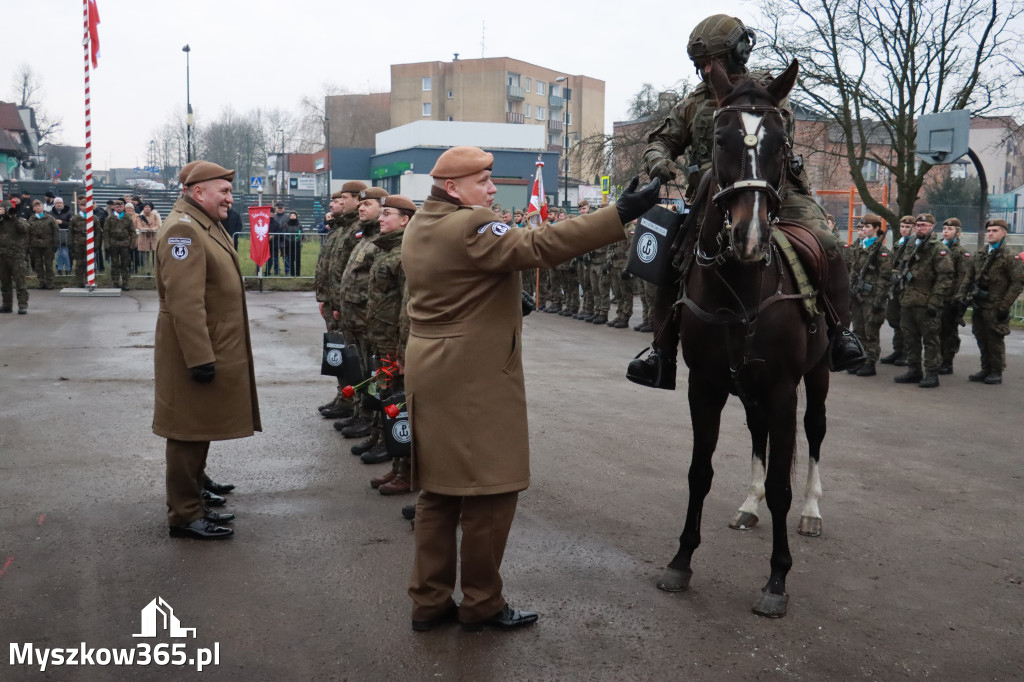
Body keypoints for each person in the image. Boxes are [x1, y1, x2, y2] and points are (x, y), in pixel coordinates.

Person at [402, 145, 659, 633]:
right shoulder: (472, 225)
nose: (493, 189)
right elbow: (540, 245)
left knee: (439, 492)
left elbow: (460, 280)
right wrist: (619, 213)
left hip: (434, 369)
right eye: (483, 181)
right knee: (491, 493)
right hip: (471, 378)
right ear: (454, 187)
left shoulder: (422, 221)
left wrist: (494, 296)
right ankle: (481, 603)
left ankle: (429, 601)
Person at [634, 14, 862, 388]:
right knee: (668, 258)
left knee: (827, 242)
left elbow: (775, 134)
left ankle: (840, 333)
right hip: (712, 196)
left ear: (736, 54)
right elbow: (660, 141)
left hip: (775, 190)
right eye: (700, 65)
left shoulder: (765, 93)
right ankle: (662, 352)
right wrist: (659, 162)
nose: (705, 70)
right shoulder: (693, 104)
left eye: (712, 63)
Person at [153, 160, 260, 540]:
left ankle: (194, 497)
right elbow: (185, 302)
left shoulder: (201, 224)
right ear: (198, 193)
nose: (231, 198)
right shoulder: (183, 231)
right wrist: (199, 358)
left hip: (210, 347)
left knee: (198, 428)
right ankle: (184, 515)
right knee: (186, 433)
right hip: (194, 351)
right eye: (224, 191)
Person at [363, 194, 415, 481]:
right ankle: (396, 468)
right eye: (380, 213)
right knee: (386, 400)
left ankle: (407, 473)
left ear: (405, 219)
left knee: (401, 407)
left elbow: (407, 307)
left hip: (395, 346)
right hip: (381, 342)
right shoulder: (386, 250)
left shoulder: (406, 253)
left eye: (387, 214)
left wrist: (403, 351)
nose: (381, 218)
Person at [333, 187, 387, 443]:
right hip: (354, 317)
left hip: (368, 319)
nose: (362, 209)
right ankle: (361, 413)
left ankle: (371, 420)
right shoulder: (364, 237)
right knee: (360, 370)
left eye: (368, 204)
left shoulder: (380, 239)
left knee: (374, 375)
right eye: (361, 204)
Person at [315, 181, 367, 419]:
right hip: (334, 301)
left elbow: (352, 272)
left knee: (350, 355)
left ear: (357, 200)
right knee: (338, 352)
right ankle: (344, 396)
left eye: (342, 198)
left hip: (345, 304)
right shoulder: (342, 228)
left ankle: (354, 401)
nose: (336, 202)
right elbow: (331, 267)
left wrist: (338, 303)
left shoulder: (358, 229)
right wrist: (325, 298)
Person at [956, 219, 1024, 384]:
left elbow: (1018, 282)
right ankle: (985, 367)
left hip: (996, 305)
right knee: (980, 336)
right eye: (989, 230)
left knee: (994, 339)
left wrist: (1005, 305)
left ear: (1003, 233)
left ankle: (996, 371)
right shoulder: (981, 254)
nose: (991, 233)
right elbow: (969, 277)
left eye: (995, 230)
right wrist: (960, 297)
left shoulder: (1010, 256)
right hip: (979, 303)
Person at [893, 213, 954, 388]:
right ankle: (914, 370)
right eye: (918, 225)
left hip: (926, 302)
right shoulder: (911, 245)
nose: (920, 228)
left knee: (930, 339)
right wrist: (897, 277)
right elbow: (898, 265)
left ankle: (932, 373)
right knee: (910, 338)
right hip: (907, 300)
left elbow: (945, 278)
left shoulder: (939, 249)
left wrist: (934, 302)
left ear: (932, 227)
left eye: (924, 225)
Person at [846, 214, 891, 376]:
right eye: (862, 227)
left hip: (872, 297)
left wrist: (879, 300)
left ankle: (870, 362)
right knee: (858, 330)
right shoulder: (859, 247)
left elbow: (885, 278)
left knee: (870, 331)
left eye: (867, 227)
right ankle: (860, 360)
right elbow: (852, 270)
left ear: (876, 229)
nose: (863, 230)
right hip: (857, 295)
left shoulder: (882, 252)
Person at [880, 216, 915, 365]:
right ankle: (898, 350)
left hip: (908, 288)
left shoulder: (915, 245)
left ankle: (906, 353)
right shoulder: (898, 244)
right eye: (902, 227)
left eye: (907, 227)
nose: (904, 230)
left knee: (906, 322)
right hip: (896, 288)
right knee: (895, 319)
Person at [937, 217, 970, 375]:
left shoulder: (960, 252)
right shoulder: (937, 248)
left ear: (958, 233)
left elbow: (963, 277)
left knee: (949, 331)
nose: (946, 231)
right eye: (944, 229)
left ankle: (947, 361)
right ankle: (938, 358)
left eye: (950, 229)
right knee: (936, 329)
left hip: (950, 298)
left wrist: (958, 298)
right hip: (937, 296)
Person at [0, 200, 30, 314]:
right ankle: (7, 305)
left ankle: (22, 305)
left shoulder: (19, 221)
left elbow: (24, 229)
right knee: (5, 282)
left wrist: (14, 217)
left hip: (17, 256)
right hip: (2, 256)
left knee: (20, 282)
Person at [607, 218, 635, 328]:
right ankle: (619, 314)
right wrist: (608, 261)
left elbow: (631, 249)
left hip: (623, 265)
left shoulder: (630, 229)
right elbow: (611, 247)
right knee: (617, 293)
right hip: (615, 264)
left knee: (626, 293)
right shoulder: (618, 228)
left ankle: (625, 316)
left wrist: (628, 268)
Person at [104, 199, 136, 291]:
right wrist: (107, 245)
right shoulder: (110, 218)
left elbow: (132, 232)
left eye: (121, 206)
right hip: (113, 244)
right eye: (117, 206)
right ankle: (115, 282)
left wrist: (131, 245)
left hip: (125, 244)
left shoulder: (127, 218)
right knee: (115, 264)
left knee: (125, 264)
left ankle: (125, 283)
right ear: (114, 207)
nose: (119, 208)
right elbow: (106, 232)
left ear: (123, 207)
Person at [27, 199, 59, 289]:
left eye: (39, 205)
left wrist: (55, 243)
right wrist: (29, 244)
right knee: (38, 264)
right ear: (33, 208)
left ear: (43, 207)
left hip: (48, 245)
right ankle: (41, 282)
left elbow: (55, 231)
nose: (38, 207)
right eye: (36, 206)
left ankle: (50, 283)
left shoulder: (49, 218)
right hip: (36, 246)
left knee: (48, 264)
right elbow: (28, 232)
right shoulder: (31, 219)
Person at [68, 196, 99, 287]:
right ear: (80, 206)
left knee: (90, 263)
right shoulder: (75, 218)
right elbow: (71, 232)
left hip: (90, 243)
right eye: (83, 205)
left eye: (87, 205)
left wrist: (96, 244)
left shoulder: (94, 218)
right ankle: (79, 281)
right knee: (79, 263)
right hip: (78, 243)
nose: (85, 207)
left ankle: (89, 280)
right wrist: (71, 243)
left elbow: (97, 232)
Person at [137, 202, 162, 274]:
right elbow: (139, 226)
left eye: (149, 207)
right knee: (145, 256)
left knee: (155, 255)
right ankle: (147, 271)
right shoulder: (140, 216)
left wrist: (153, 229)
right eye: (146, 207)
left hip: (154, 237)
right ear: (143, 208)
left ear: (151, 208)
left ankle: (155, 270)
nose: (147, 208)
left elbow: (158, 225)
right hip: (144, 238)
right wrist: (146, 229)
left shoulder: (155, 215)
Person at [51, 197, 72, 276]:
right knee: (59, 254)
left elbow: (71, 224)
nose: (58, 204)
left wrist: (62, 222)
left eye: (60, 203)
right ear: (54, 204)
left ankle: (67, 269)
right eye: (56, 203)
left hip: (66, 236)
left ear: (63, 203)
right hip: (56, 236)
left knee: (65, 253)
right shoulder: (51, 213)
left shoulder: (69, 212)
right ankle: (59, 269)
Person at [268, 202, 288, 275]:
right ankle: (276, 270)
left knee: (285, 255)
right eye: (278, 208)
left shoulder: (287, 217)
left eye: (281, 208)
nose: (280, 209)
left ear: (284, 208)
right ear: (276, 208)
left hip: (284, 239)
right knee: (275, 256)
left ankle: (287, 270)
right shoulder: (273, 217)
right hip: (275, 240)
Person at [283, 211, 302, 276]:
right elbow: (285, 234)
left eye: (294, 215)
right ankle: (292, 273)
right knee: (290, 260)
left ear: (296, 216)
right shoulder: (286, 225)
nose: (292, 216)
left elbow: (300, 233)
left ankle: (298, 273)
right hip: (289, 245)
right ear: (289, 217)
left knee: (298, 259)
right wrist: (289, 240)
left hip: (297, 245)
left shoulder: (299, 225)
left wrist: (297, 240)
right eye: (291, 215)